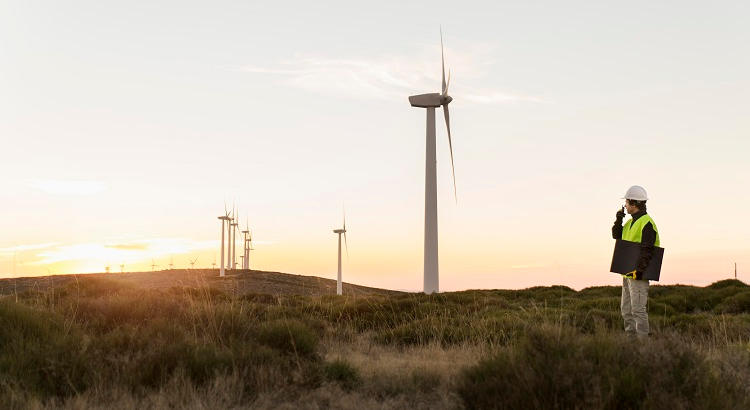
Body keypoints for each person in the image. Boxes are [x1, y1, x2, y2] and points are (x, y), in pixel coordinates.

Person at [612, 185, 660, 338]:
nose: (625, 205)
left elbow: (648, 250)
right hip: (627, 274)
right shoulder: (629, 223)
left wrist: (638, 272)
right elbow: (616, 236)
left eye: (626, 202)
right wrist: (619, 219)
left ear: (634, 203)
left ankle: (643, 347)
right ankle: (631, 345)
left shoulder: (647, 223)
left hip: (638, 274)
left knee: (638, 311)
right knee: (626, 311)